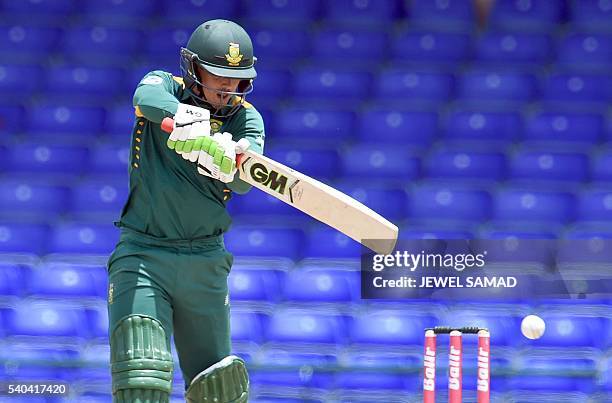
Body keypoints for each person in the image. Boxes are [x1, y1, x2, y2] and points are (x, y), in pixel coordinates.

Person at [106, 19, 264, 403]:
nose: (228, 88)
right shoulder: (162, 84)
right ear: (194, 69)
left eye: (237, 79)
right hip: (143, 254)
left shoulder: (247, 118)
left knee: (219, 390)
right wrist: (187, 122)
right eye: (219, 76)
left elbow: (247, 177)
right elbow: (145, 98)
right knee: (141, 377)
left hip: (205, 262)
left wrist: (227, 157)